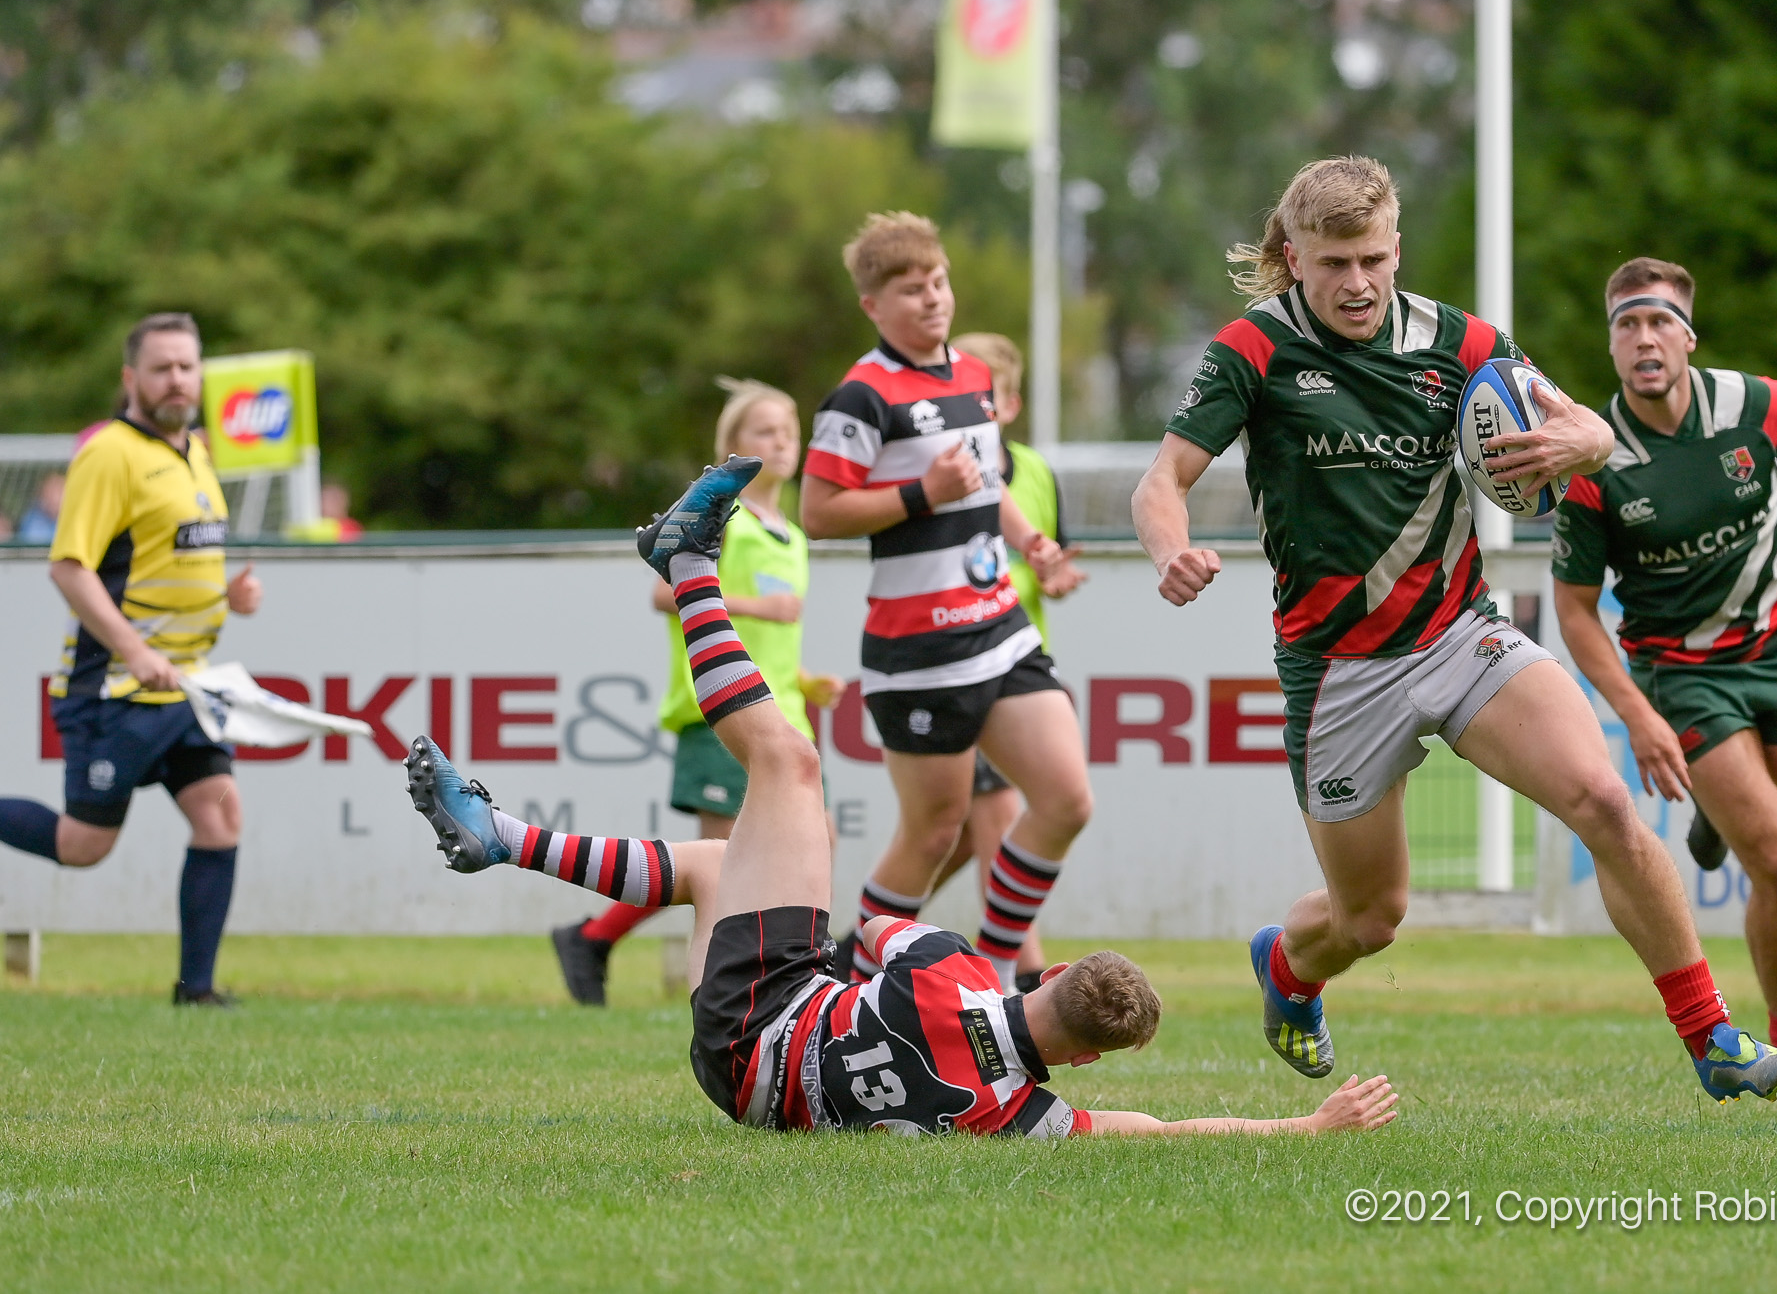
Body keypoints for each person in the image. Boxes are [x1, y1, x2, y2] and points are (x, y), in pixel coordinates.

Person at [405, 457, 1399, 1138]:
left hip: (764, 1018)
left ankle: (687, 564)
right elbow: (1161, 1135)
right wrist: (1304, 1125)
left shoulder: (952, 968)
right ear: (1083, 1064)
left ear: (1037, 982)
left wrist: (831, 965)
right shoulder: (1014, 1113)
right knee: (718, 868)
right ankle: (499, 836)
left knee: (789, 767)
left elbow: (875, 931)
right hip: (742, 1084)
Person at [1132, 156, 1777, 1103]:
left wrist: (1588, 441)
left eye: (1373, 257)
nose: (1358, 282)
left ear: (1397, 246)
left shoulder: (1465, 344)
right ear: (1294, 256)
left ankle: (1715, 1041)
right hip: (1339, 673)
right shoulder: (1253, 347)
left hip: (1463, 636)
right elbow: (1161, 480)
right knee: (1369, 920)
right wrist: (1171, 550)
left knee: (1605, 803)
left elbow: (1588, 428)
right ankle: (1289, 970)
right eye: (1333, 263)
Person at [1549, 258, 1777, 1082]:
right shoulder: (1594, 463)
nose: (1644, 337)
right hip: (1682, 674)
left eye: (1659, 321)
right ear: (1612, 346)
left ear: (1687, 337)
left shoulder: (1757, 406)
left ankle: (1720, 814)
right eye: (1627, 324)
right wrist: (1639, 715)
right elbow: (1573, 609)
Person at [801, 213, 1089, 993]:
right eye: (910, 288)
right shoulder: (860, 396)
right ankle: (844, 991)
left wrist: (1033, 543)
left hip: (999, 627)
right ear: (873, 305)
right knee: (933, 833)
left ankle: (995, 977)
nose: (932, 299)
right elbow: (819, 511)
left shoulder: (971, 376)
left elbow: (986, 484)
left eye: (938, 281)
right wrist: (920, 492)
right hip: (918, 648)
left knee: (1066, 797)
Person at [548, 379, 844, 1006]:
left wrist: (805, 679)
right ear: (734, 444)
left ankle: (597, 939)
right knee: (726, 855)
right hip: (719, 708)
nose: (782, 442)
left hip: (781, 708)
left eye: (790, 431)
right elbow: (666, 590)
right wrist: (759, 604)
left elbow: (777, 635)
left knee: (810, 838)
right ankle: (715, 997)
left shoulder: (788, 531)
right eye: (765, 431)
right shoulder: (726, 521)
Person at [0, 313, 264, 1005]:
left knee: (221, 817)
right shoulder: (110, 453)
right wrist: (135, 649)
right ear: (131, 378)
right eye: (162, 367)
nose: (177, 379)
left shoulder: (198, 453)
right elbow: (69, 568)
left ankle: (195, 991)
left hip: (188, 688)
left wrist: (230, 595)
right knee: (85, 845)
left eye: (187, 366)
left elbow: (170, 556)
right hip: (114, 687)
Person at [923, 332, 1085, 991]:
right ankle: (1020, 972)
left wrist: (1052, 572)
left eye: (979, 389)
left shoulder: (1036, 472)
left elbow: (1050, 553)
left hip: (1018, 660)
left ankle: (864, 942)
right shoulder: (936, 463)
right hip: (954, 657)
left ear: (1009, 403)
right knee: (981, 818)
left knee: (957, 828)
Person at [17, 471, 63, 543]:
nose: (55, 498)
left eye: (59, 492)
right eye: (51, 493)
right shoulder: (33, 520)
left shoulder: (73, 518)